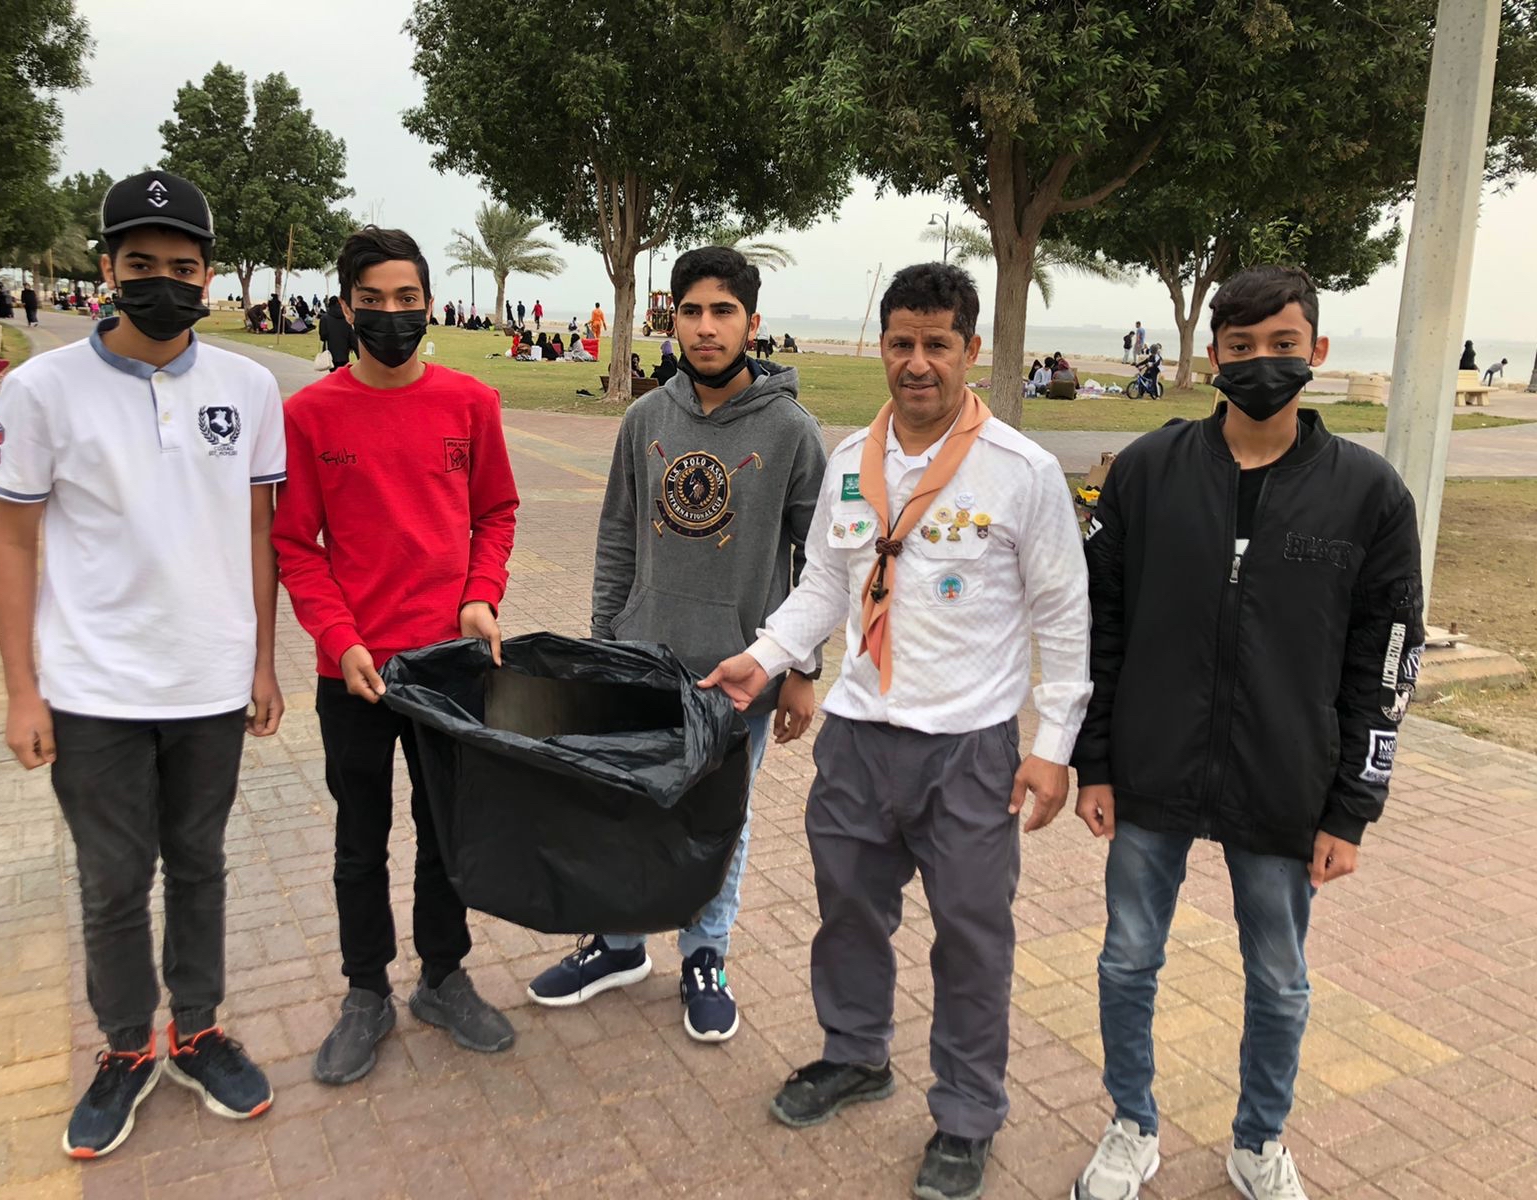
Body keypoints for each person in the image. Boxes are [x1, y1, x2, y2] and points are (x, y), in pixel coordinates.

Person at [700, 262, 1092, 1200]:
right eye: (902, 343)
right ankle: (855, 1053)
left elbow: (1063, 613)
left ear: (971, 350)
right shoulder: (850, 461)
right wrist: (766, 655)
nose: (918, 363)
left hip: (970, 749)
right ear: (882, 346)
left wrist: (1053, 746)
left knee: (972, 937)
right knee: (847, 914)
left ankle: (966, 1113)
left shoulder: (1022, 471)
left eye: (938, 345)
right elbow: (824, 585)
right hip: (857, 737)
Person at [1068, 266, 1424, 1200]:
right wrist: (1094, 761)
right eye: (1241, 346)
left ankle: (1259, 1140)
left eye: (1282, 344)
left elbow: (1386, 661)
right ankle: (1131, 1124)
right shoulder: (1148, 471)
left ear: (1317, 352)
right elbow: (1100, 626)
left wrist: (1352, 809)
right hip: (1150, 766)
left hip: (1284, 780)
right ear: (1214, 355)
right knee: (1127, 959)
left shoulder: (1370, 494)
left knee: (1279, 979)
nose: (1262, 361)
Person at [0, 170, 282, 1159]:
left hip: (209, 682)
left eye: (182, 267)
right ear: (107, 268)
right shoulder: (40, 390)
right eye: (140, 263)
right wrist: (22, 690)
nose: (164, 281)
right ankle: (124, 1048)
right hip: (92, 689)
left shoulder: (247, 388)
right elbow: (12, 541)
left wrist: (264, 663)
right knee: (114, 880)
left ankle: (196, 1031)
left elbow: (258, 532)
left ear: (208, 276)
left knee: (199, 864)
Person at [527, 246, 828, 1046]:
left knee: (717, 822)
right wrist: (602, 651)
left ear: (752, 324)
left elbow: (820, 563)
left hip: (739, 675)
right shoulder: (645, 420)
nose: (705, 327)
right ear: (671, 320)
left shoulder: (792, 431)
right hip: (641, 666)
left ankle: (705, 955)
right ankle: (619, 943)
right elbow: (617, 539)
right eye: (690, 311)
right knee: (626, 808)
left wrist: (802, 668)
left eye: (723, 311)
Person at [273, 226, 520, 1086]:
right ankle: (366, 991)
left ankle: (443, 978)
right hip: (354, 673)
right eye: (372, 301)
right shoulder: (310, 414)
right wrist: (339, 640)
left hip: (450, 667)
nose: (391, 314)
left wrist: (480, 594)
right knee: (360, 838)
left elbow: (496, 512)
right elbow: (295, 544)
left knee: (448, 831)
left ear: (429, 304)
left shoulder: (471, 403)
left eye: (406, 299)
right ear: (346, 308)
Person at [319, 295, 355, 369]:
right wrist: (352, 346)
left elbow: (323, 336)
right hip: (344, 352)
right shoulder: (346, 318)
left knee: (334, 372)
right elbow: (351, 335)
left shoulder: (324, 318)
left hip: (330, 352)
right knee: (342, 371)